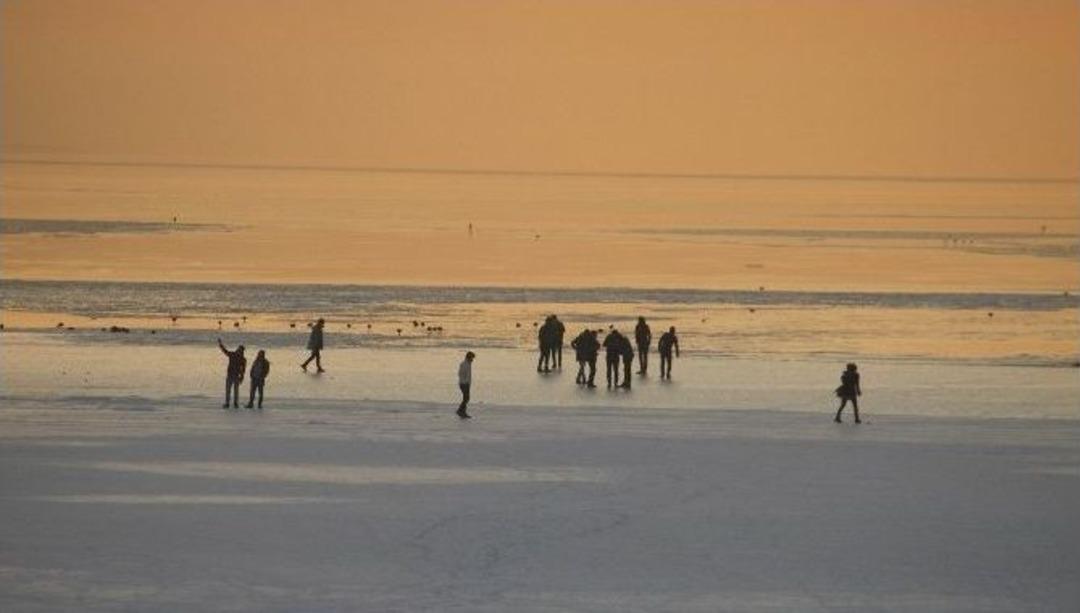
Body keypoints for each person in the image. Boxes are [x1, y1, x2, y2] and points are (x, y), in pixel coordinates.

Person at [217, 339, 246, 409]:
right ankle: (227, 403)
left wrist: (241, 377)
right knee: (228, 390)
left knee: (236, 391)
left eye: (240, 350)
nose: (239, 350)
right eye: (239, 349)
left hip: (236, 376)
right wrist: (220, 344)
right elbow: (225, 351)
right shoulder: (233, 355)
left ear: (242, 351)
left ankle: (235, 403)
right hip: (230, 375)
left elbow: (243, 369)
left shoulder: (243, 359)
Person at [457, 351, 476, 419]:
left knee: (466, 398)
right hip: (464, 384)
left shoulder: (468, 364)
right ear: (469, 357)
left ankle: (462, 411)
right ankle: (460, 411)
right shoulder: (464, 364)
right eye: (472, 358)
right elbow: (460, 373)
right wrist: (465, 381)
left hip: (466, 383)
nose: (473, 359)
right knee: (466, 398)